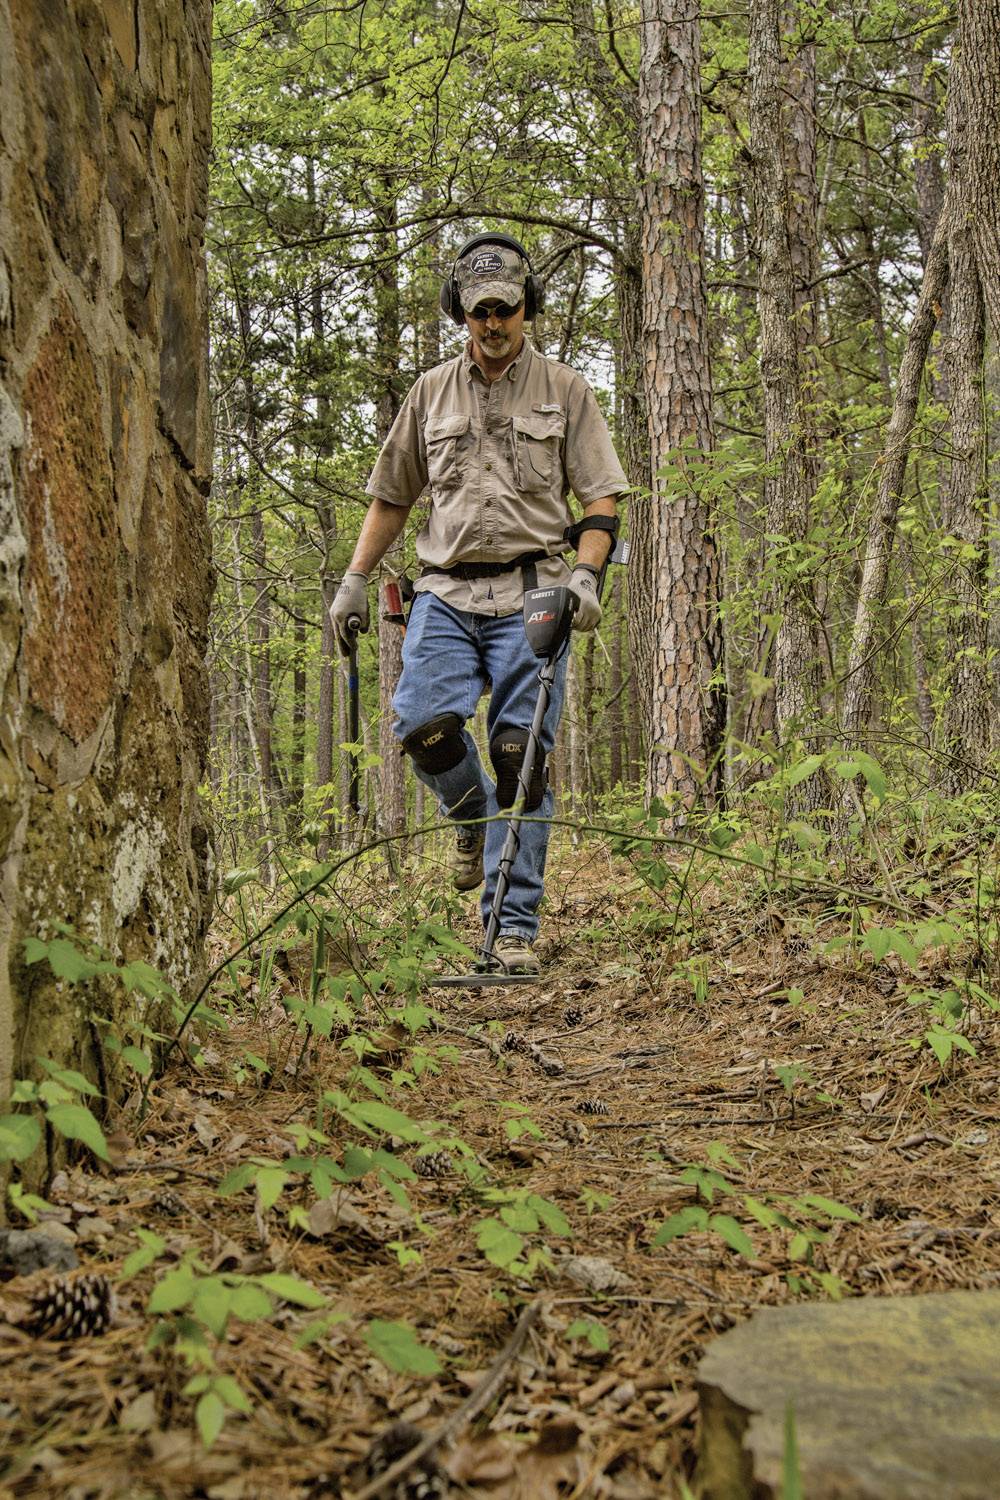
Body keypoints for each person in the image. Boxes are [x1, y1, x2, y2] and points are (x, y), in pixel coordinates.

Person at [331, 231, 627, 974]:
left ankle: (513, 929)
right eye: (478, 312)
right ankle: (468, 816)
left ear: (528, 308)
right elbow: (392, 496)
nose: (492, 324)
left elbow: (601, 496)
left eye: (506, 309)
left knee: (520, 755)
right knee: (423, 724)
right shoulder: (430, 392)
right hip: (446, 590)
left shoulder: (566, 390)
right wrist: (356, 578)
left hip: (535, 589)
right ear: (459, 313)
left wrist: (587, 578)